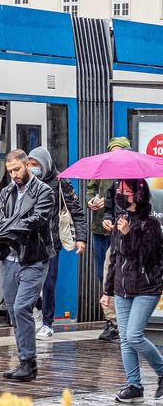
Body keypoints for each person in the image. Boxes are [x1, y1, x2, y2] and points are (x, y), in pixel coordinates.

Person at [0, 149, 55, 382]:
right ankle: (24, 362)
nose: (14, 175)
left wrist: (8, 227)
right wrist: (4, 227)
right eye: (10, 172)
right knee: (14, 313)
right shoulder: (7, 192)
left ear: (27, 165)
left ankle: (29, 362)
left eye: (17, 169)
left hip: (34, 259)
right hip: (9, 259)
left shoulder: (44, 191)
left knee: (21, 308)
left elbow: (36, 221)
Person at [100, 178, 163, 403]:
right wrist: (107, 291)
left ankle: (162, 370)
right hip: (122, 289)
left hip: (147, 287)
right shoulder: (120, 221)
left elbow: (146, 257)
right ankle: (134, 386)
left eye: (125, 190)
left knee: (134, 335)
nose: (121, 193)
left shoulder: (151, 224)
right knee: (125, 340)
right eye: (119, 189)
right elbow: (115, 258)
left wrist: (128, 234)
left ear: (138, 193)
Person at [26, 146, 87, 340]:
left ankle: (47, 323)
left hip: (51, 242)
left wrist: (81, 238)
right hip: (28, 242)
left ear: (44, 164)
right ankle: (36, 308)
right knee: (26, 281)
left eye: (34, 165)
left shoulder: (61, 183)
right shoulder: (26, 182)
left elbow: (76, 211)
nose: (31, 168)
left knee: (48, 282)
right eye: (29, 164)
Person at [87, 137, 131, 342]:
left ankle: (117, 322)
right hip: (100, 230)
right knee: (102, 275)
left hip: (121, 233)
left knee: (116, 275)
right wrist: (93, 202)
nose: (115, 156)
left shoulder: (132, 178)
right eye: (112, 152)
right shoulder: (102, 169)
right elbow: (92, 188)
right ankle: (111, 321)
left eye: (119, 152)